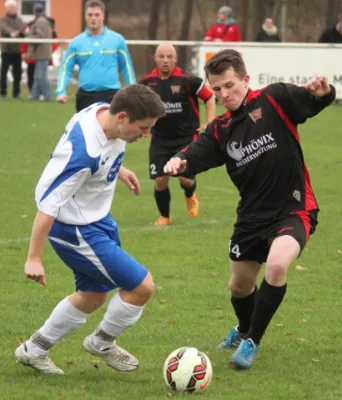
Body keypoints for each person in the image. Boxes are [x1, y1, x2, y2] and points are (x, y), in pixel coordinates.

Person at [163, 49, 335, 369]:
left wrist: (323, 91)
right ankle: (243, 329)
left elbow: (313, 99)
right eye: (216, 89)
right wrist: (180, 160)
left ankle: (252, 340)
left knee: (277, 265)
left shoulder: (275, 99)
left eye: (229, 85)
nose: (223, 94)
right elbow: (195, 153)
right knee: (239, 286)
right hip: (251, 217)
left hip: (293, 207)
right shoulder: (221, 130)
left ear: (245, 79)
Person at [14, 84, 165, 375]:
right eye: (143, 128)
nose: (146, 135)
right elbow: (48, 204)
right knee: (142, 286)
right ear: (122, 117)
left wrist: (116, 170)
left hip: (97, 218)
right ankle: (102, 342)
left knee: (93, 295)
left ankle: (34, 349)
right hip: (75, 229)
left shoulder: (99, 111)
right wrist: (34, 257)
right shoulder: (84, 153)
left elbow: (102, 152)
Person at [139, 42, 215, 225]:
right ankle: (164, 217)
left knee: (185, 179)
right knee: (160, 180)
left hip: (186, 139)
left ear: (176, 59)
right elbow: (138, 106)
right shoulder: (146, 83)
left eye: (169, 57)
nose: (165, 60)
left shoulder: (188, 81)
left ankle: (190, 194)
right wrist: (141, 126)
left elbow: (210, 96)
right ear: (155, 58)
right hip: (159, 140)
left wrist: (210, 122)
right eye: (161, 56)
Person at [56, 0, 136, 112]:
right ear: (85, 16)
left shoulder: (117, 40)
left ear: (103, 16)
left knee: (109, 129)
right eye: (90, 15)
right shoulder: (76, 43)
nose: (93, 18)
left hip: (111, 95)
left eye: (97, 15)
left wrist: (133, 92)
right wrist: (61, 91)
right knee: (86, 129)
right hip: (86, 96)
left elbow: (126, 68)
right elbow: (66, 68)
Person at [21, 17, 58, 94]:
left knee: (40, 77)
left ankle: (40, 95)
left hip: (41, 57)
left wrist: (49, 51)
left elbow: (55, 43)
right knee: (33, 76)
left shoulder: (48, 29)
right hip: (32, 57)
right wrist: (24, 51)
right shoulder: (31, 28)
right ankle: (34, 94)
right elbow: (25, 41)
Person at [26, 3, 53, 101]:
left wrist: (28, 37)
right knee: (37, 76)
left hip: (42, 53)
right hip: (42, 52)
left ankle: (47, 97)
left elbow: (39, 36)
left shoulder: (40, 22)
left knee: (41, 77)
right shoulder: (43, 20)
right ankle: (34, 96)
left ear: (35, 11)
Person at [0, 0, 25, 99]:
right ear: (8, 9)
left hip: (17, 50)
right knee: (4, 72)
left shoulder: (19, 19)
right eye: (12, 8)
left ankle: (16, 93)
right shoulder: (3, 19)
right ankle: (3, 92)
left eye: (15, 8)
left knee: (17, 73)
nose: (14, 10)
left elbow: (22, 29)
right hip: (6, 50)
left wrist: (17, 32)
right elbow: (5, 28)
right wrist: (12, 33)